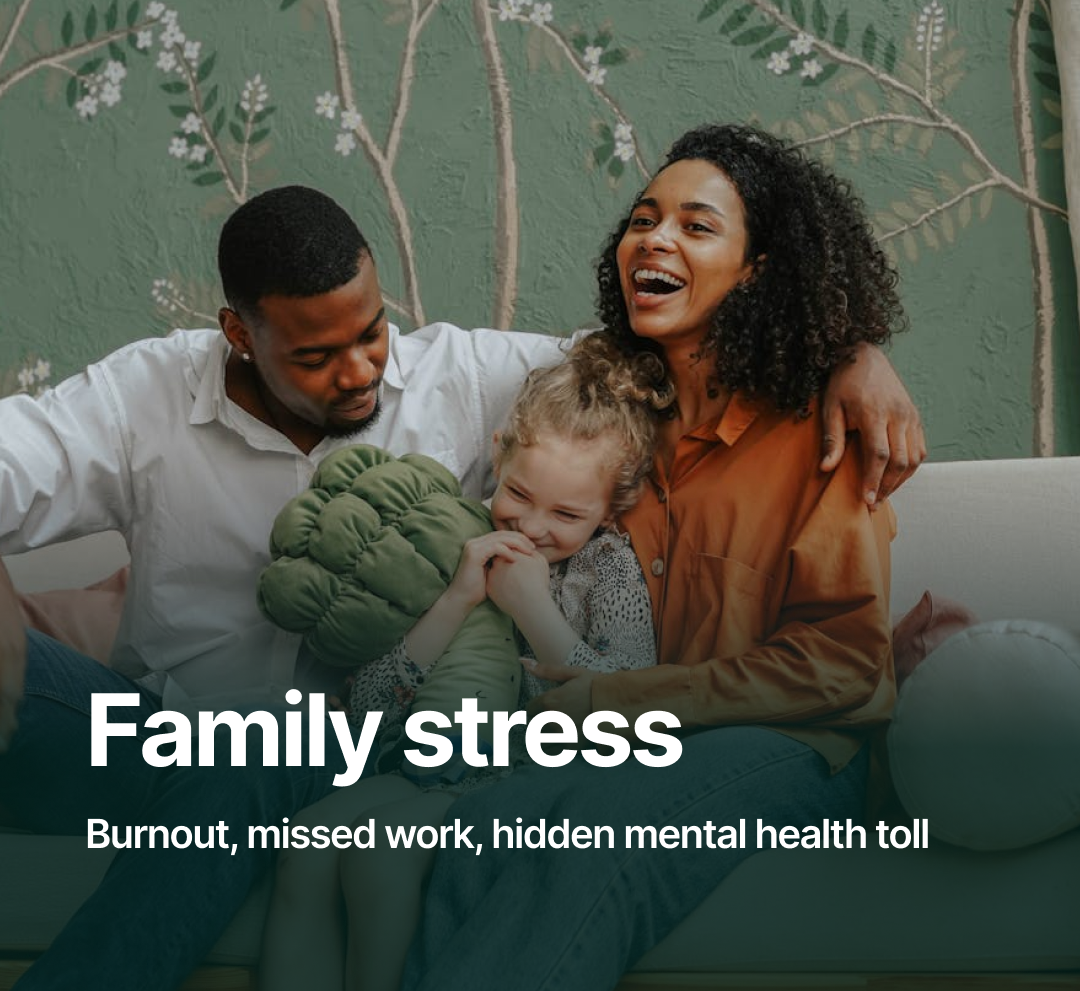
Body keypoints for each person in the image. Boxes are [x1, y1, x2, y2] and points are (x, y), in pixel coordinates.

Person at [0, 181, 919, 990]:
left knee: (248, 759)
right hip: (158, 733)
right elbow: (18, 458)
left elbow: (660, 358)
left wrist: (850, 352)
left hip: (340, 743)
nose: (361, 371)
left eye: (372, 332)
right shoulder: (144, 396)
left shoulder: (468, 378)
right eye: (318, 357)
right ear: (239, 333)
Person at [401, 123, 906, 991]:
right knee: (479, 831)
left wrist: (858, 358)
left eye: (697, 225)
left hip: (786, 747)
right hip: (628, 748)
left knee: (605, 839)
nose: (657, 239)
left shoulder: (822, 431)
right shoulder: (614, 422)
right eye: (644, 218)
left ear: (758, 270)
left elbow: (844, 664)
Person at [259, 335, 669, 991]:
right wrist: (455, 599)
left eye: (567, 513)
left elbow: (626, 713)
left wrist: (535, 608)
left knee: (379, 854)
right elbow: (363, 712)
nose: (533, 526)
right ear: (500, 452)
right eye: (520, 495)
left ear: (612, 508)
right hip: (423, 767)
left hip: (533, 784)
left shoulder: (605, 566)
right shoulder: (454, 537)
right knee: (307, 842)